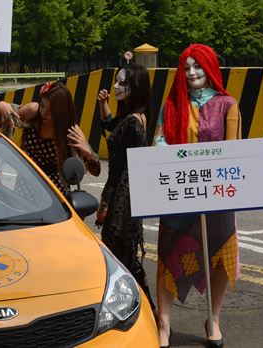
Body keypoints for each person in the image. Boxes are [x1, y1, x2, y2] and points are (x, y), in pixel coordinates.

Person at [153, 44, 241, 348]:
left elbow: (234, 153)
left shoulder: (228, 105)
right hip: (178, 195)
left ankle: (213, 319)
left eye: (198, 66)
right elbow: (159, 141)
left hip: (217, 197)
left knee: (220, 259)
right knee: (167, 258)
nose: (191, 73)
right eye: (186, 67)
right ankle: (164, 321)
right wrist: (164, 150)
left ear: (210, 68)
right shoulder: (171, 104)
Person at [95, 63, 156, 313]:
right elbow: (110, 125)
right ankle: (143, 309)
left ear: (136, 87)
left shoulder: (133, 122)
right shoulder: (133, 117)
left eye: (123, 83)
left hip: (123, 196)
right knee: (123, 254)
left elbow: (118, 166)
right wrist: (103, 103)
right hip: (129, 193)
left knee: (121, 254)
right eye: (117, 82)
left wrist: (105, 202)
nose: (117, 86)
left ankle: (147, 310)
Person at [0, 81, 100, 195]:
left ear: (61, 111)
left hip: (55, 188)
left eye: (51, 110)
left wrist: (88, 154)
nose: (44, 113)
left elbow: (96, 172)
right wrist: (1, 106)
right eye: (42, 106)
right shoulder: (33, 112)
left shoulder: (70, 130)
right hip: (26, 182)